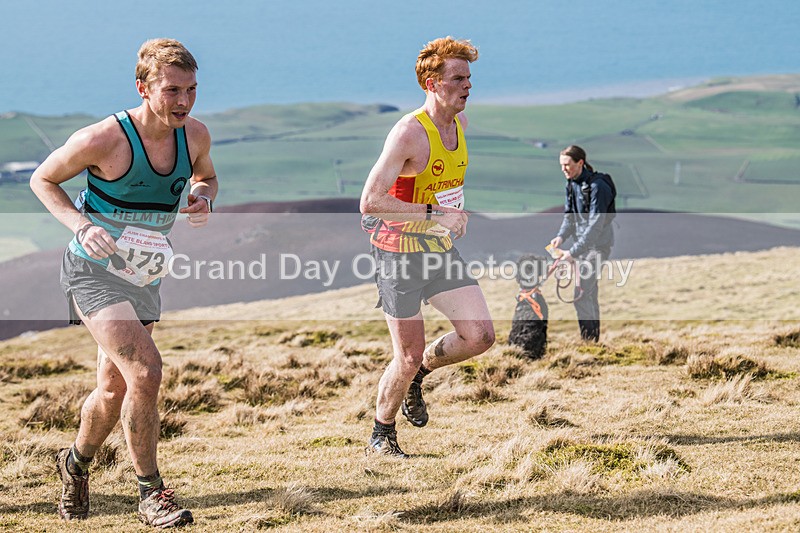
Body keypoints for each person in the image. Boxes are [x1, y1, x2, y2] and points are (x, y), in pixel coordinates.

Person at [29, 38, 217, 527]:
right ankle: (151, 493)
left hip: (144, 275)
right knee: (147, 372)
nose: (184, 101)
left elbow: (208, 176)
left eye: (192, 90)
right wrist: (82, 226)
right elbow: (42, 180)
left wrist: (201, 196)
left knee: (113, 390)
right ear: (143, 87)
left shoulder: (194, 135)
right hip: (93, 272)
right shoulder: (103, 138)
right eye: (172, 90)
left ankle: (75, 464)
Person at [359, 36, 495, 458]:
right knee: (406, 352)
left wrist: (453, 214)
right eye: (457, 78)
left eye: (469, 77)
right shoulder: (409, 133)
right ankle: (381, 435)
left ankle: (421, 373)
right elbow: (370, 201)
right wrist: (436, 214)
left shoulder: (461, 126)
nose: (467, 85)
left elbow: (445, 186)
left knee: (479, 335)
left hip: (437, 250)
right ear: (431, 83)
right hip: (398, 253)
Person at [549, 145, 614, 342]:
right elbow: (570, 217)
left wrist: (572, 252)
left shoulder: (598, 188)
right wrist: (560, 237)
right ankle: (593, 343)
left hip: (598, 247)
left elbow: (594, 226)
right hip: (581, 246)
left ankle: (588, 342)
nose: (564, 170)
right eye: (561, 166)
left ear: (580, 163)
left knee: (581, 292)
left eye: (567, 165)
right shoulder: (571, 183)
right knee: (589, 292)